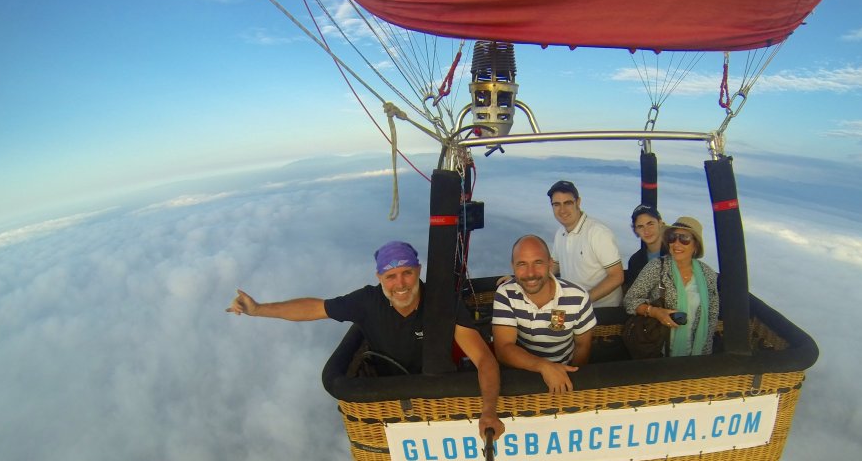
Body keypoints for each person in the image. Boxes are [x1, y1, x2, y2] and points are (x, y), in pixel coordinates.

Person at [227, 240, 504, 439]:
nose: (401, 283)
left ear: (419, 270)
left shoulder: (442, 303)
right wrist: (259, 309)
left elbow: (483, 359)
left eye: (407, 272)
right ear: (379, 277)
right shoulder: (367, 302)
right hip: (392, 402)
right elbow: (314, 308)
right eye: (391, 276)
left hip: (442, 397)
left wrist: (489, 410)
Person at [493, 235, 597, 393]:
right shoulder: (506, 294)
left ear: (550, 263)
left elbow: (583, 346)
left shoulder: (578, 297)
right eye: (522, 264)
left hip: (565, 370)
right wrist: (544, 367)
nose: (530, 273)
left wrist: (569, 376)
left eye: (538, 262)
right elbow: (503, 349)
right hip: (522, 373)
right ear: (513, 266)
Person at [623, 217, 720, 356]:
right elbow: (630, 300)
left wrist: (704, 357)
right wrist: (656, 312)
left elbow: (712, 316)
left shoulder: (708, 275)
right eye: (672, 237)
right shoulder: (658, 267)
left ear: (696, 245)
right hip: (659, 349)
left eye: (684, 238)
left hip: (696, 353)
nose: (676, 243)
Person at [547, 180, 624, 308]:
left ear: (578, 202)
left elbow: (617, 276)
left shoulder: (597, 233)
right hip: (574, 306)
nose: (562, 210)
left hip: (601, 311)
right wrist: (520, 280)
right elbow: (554, 265)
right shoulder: (560, 232)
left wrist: (583, 301)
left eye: (568, 203)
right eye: (556, 204)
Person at [626, 203, 668, 284]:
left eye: (650, 224)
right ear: (636, 230)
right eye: (640, 226)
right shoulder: (635, 261)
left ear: (660, 223)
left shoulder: (674, 252)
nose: (646, 231)